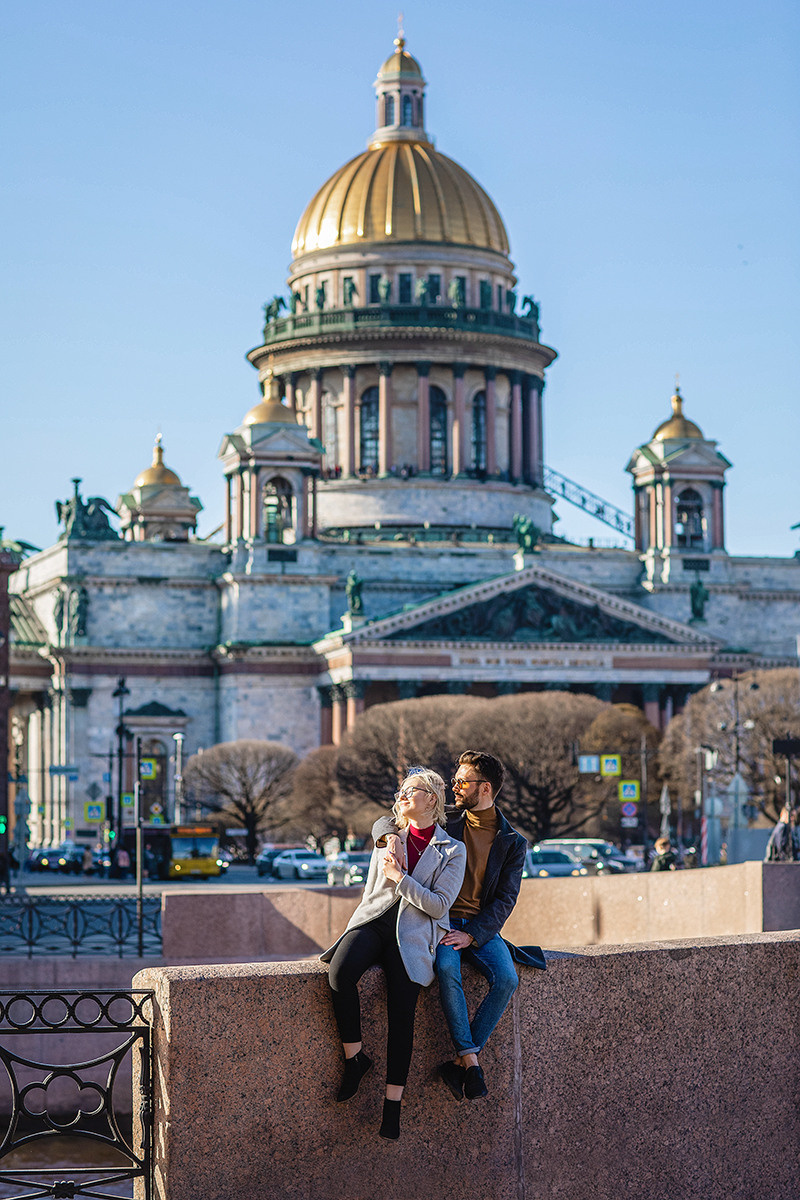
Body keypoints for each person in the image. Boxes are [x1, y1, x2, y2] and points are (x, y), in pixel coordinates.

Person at [375, 750, 545, 1103]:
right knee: (448, 968)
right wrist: (390, 837)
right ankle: (469, 1061)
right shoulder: (446, 819)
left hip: (479, 926)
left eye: (461, 782)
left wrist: (474, 935)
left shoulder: (512, 842)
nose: (454, 786)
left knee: (507, 978)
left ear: (484, 789)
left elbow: (505, 899)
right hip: (440, 920)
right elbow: (387, 819)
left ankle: (463, 1060)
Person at [320, 768, 466, 1141]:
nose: (401, 796)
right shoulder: (389, 836)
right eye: (399, 791)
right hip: (374, 922)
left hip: (414, 936)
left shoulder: (452, 850)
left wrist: (402, 878)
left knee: (402, 1018)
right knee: (339, 974)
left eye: (410, 790)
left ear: (432, 798)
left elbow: (438, 905)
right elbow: (379, 825)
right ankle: (356, 1059)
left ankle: (392, 1107)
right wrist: (386, 836)